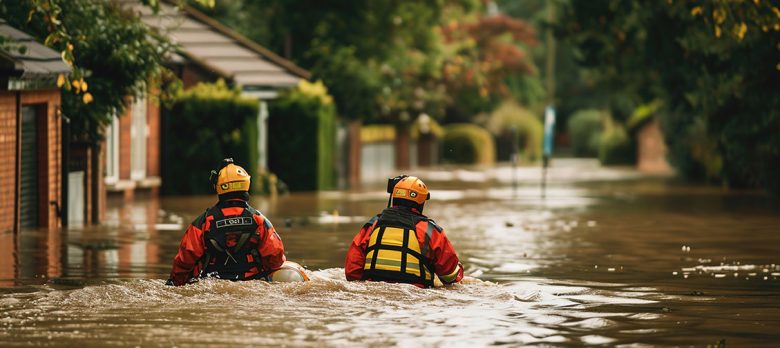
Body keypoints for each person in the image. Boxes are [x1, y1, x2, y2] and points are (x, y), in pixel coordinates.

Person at [167, 158, 286, 286]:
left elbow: (184, 261)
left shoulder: (203, 222)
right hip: (252, 285)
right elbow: (276, 258)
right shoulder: (259, 221)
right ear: (246, 183)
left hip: (211, 286)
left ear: (218, 186)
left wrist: (175, 283)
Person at [345, 175, 464, 288]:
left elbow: (352, 272)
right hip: (415, 297)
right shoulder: (430, 230)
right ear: (421, 202)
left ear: (394, 197)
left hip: (373, 295)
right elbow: (450, 277)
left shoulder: (372, 225)